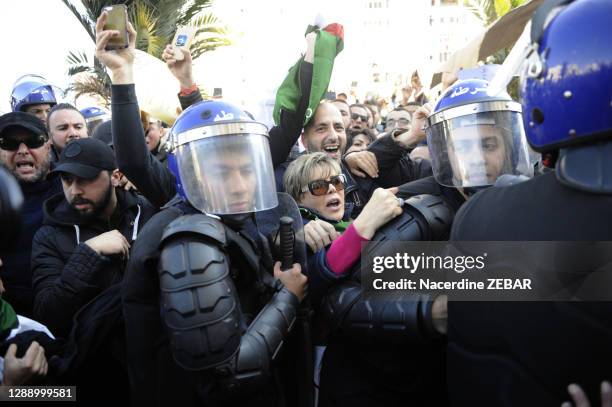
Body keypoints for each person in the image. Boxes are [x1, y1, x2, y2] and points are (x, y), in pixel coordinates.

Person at [447, 0, 612, 405]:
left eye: (487, 143)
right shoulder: (424, 207)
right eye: (462, 145)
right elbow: (376, 284)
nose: (475, 158)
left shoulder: (478, 219)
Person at [31, 138, 156, 337]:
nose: (74, 191)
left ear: (116, 177)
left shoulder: (149, 214)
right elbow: (48, 315)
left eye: (85, 178)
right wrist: (87, 255)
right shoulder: (49, 236)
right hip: (93, 358)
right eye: (67, 179)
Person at [0, 112, 60, 317]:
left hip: (67, 310)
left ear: (48, 145)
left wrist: (125, 184)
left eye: (34, 141)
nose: (23, 151)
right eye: (9, 143)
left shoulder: (74, 184)